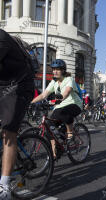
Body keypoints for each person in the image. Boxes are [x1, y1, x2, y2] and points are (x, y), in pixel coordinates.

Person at [0, 30, 35, 199]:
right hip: (3, 85)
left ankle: (4, 186)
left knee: (8, 131)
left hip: (19, 85)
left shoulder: (1, 38)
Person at [31, 59, 82, 159]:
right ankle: (55, 152)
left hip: (74, 104)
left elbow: (66, 92)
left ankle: (70, 134)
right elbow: (43, 95)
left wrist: (58, 99)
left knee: (64, 112)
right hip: (59, 107)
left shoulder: (69, 79)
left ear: (63, 70)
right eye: (53, 69)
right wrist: (31, 102)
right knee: (49, 127)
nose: (55, 71)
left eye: (57, 69)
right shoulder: (53, 82)